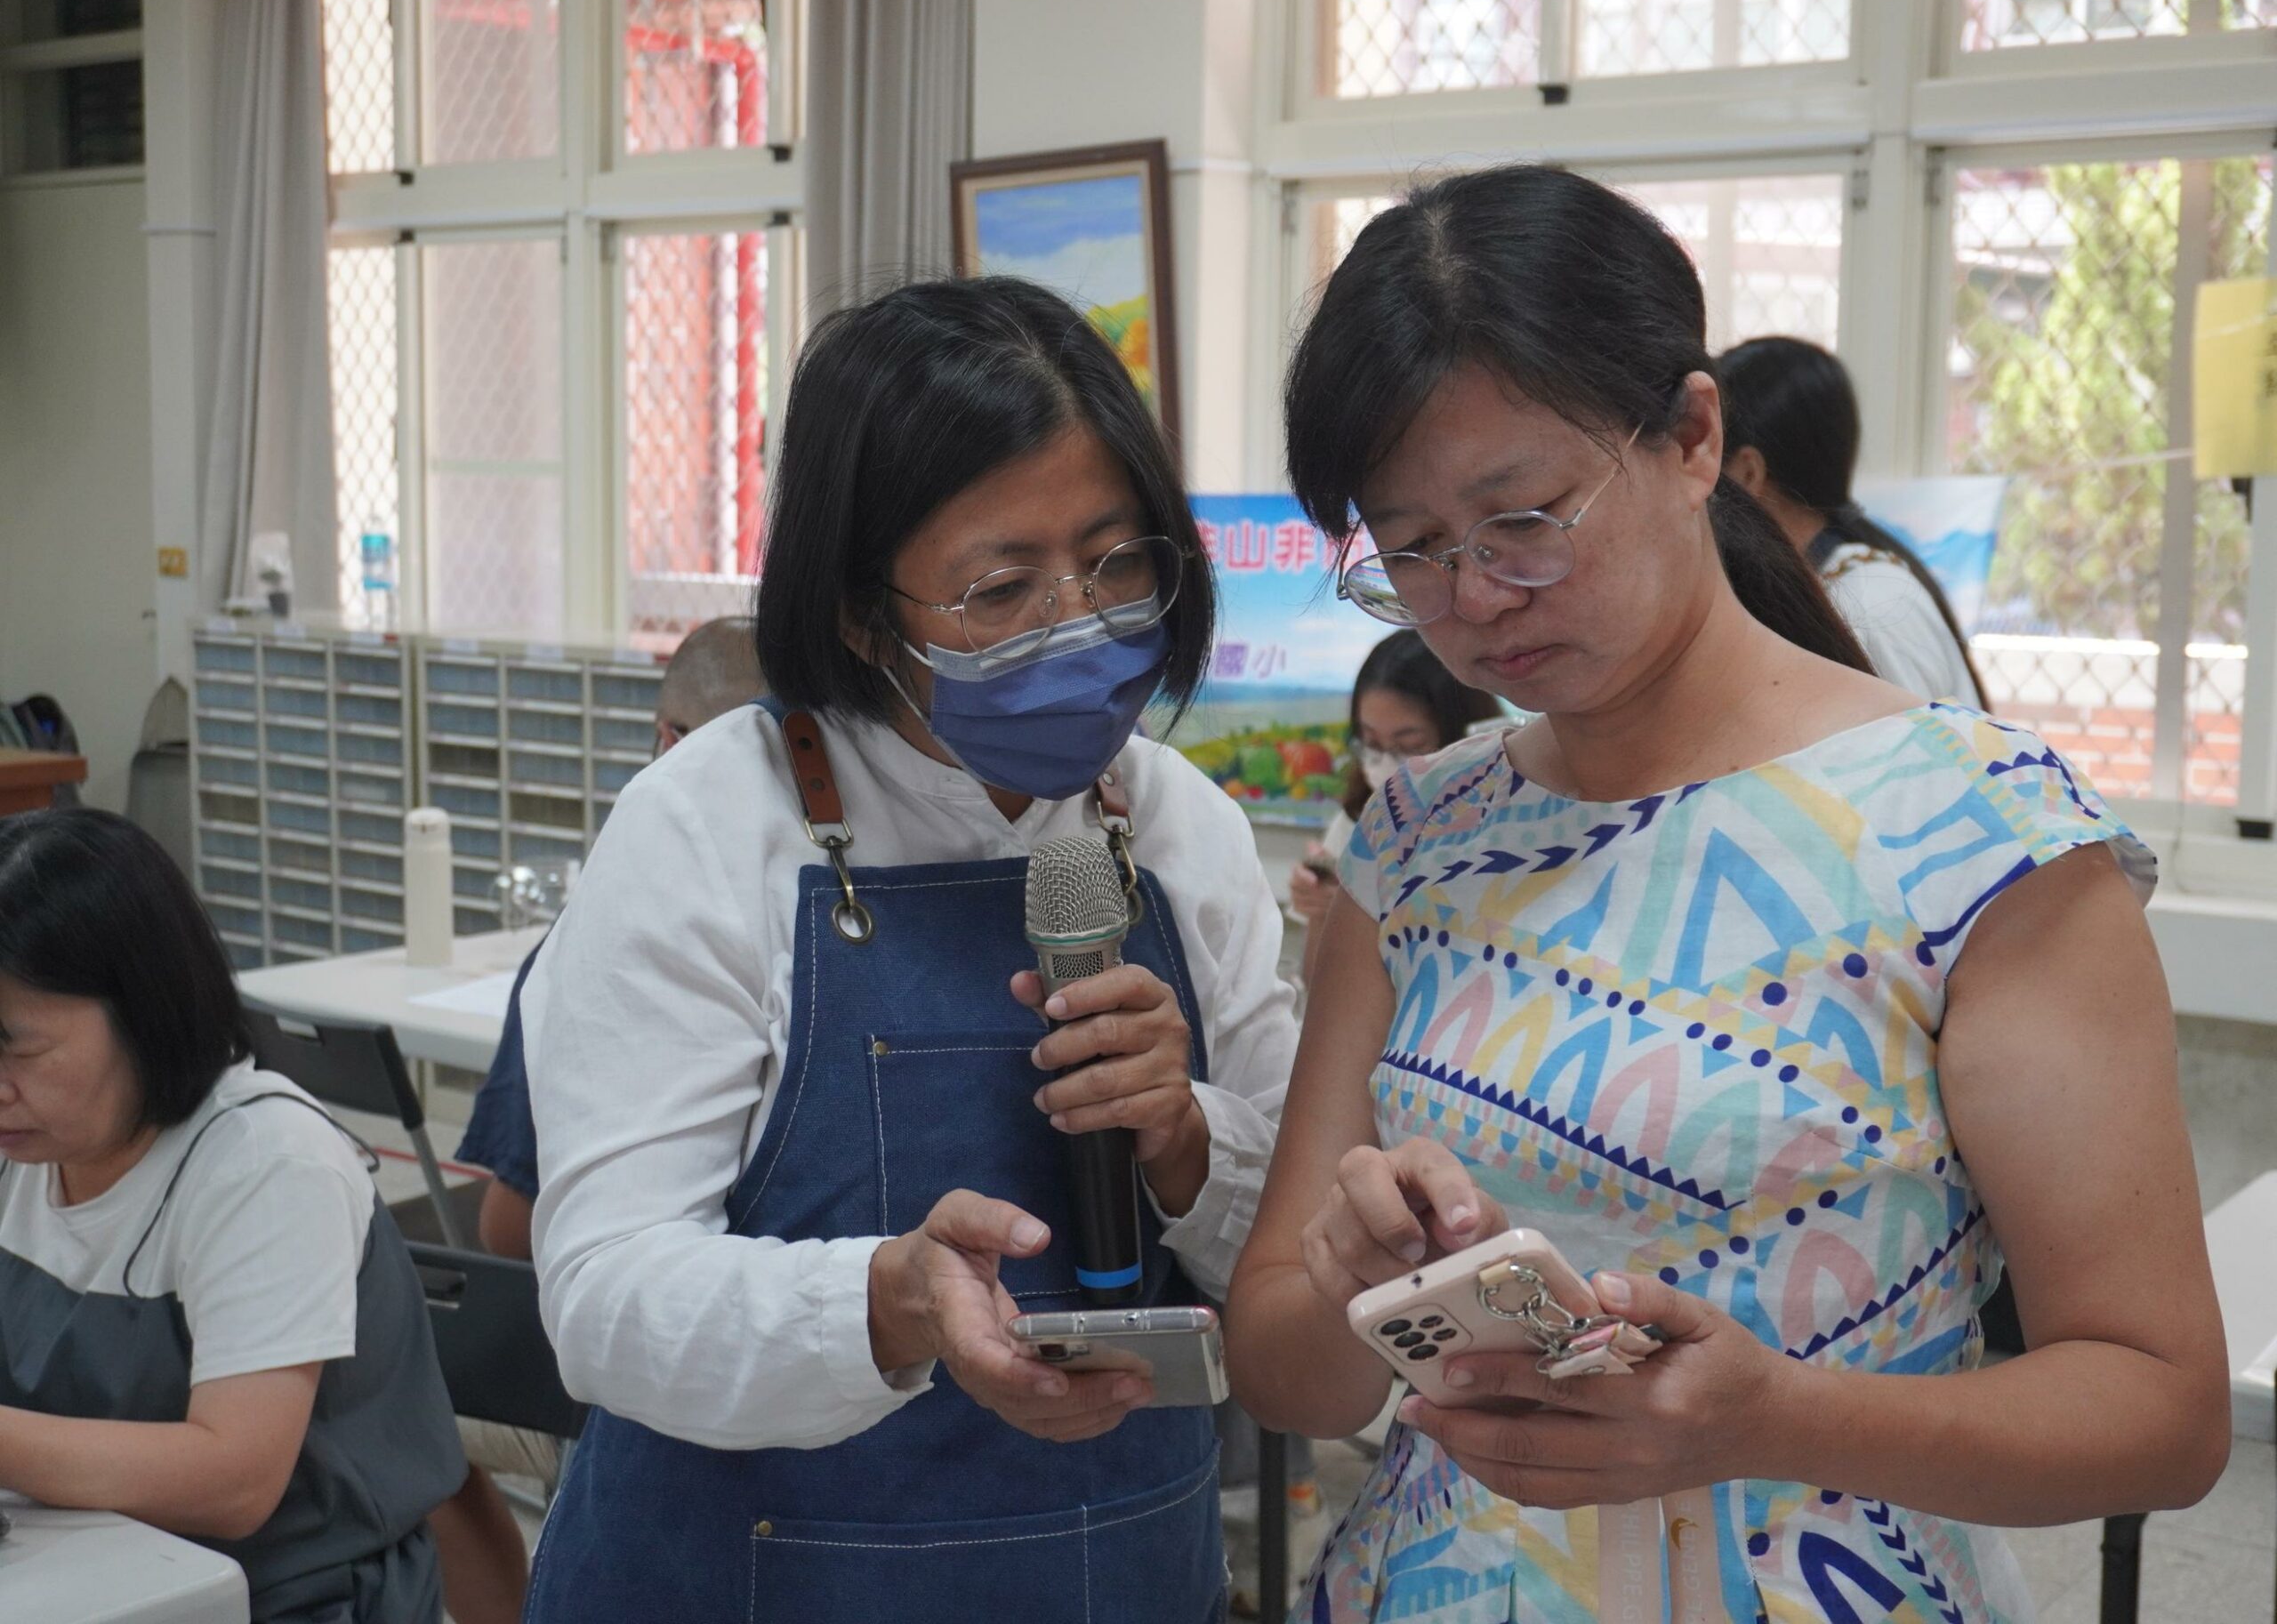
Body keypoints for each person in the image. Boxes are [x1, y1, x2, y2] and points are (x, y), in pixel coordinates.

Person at [1227, 165, 2228, 1621]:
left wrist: (1776, 1419)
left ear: (1695, 438)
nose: (1476, 598)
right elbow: (1281, 1369)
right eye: (1415, 550)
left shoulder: (1974, 837)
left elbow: (2162, 1410)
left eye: (1525, 519)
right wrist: (1349, 1281)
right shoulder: (1419, 839)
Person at [517, 277, 1297, 1621]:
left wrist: (1182, 1141)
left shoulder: (1181, 826)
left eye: (1118, 564)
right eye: (1001, 589)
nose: (1078, 625)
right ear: (859, 611)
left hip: (1115, 1571)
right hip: (757, 1579)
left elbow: (1293, 1270)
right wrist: (888, 1303)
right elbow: (605, 1299)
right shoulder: (707, 828)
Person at [0, 808, 463, 1623]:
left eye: (18, 1047)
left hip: (287, 1595)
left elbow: (235, 1480)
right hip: (100, 1567)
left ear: (141, 1011)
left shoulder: (265, 1163)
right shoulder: (30, 1145)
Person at [428, 614, 768, 1624]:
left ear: (667, 744)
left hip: (638, 1409)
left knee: (395, 1415)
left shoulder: (601, 939)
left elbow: (511, 1227)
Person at [1716, 334, 1987, 706]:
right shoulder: (1839, 587)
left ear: (1749, 473)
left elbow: (1908, 743)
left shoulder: (1871, 603)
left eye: (1711, 464)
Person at [1286, 630, 1501, 987]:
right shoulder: (1358, 821)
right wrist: (1323, 909)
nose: (1385, 767)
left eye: (1410, 745)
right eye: (1371, 742)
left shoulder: (1504, 828)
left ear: (1464, 738)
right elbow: (1317, 986)